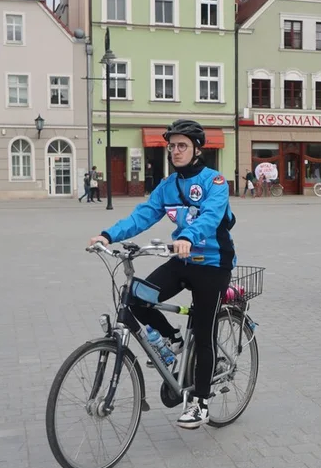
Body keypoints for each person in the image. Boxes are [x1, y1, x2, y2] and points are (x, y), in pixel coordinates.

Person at [87, 119, 237, 429]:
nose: (175, 151)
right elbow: (143, 214)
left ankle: (200, 402)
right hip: (182, 260)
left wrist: (187, 237)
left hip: (213, 263)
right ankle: (173, 338)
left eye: (182, 146)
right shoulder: (168, 185)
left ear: (197, 149)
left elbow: (210, 217)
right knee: (137, 298)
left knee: (205, 330)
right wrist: (107, 235)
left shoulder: (216, 182)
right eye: (172, 146)